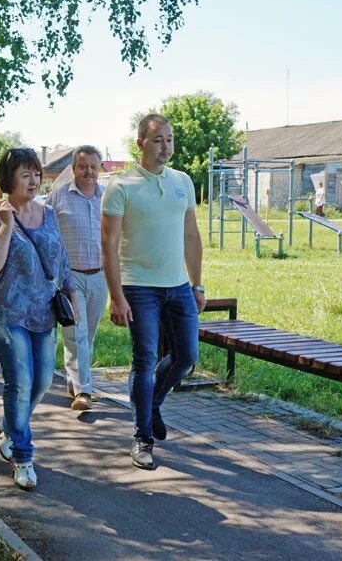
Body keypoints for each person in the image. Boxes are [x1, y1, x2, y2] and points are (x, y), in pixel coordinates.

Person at [101, 113, 206, 471]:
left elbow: (191, 236)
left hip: (177, 286)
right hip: (139, 286)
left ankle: (154, 402)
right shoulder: (121, 186)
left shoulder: (183, 182)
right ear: (140, 143)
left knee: (187, 356)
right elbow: (109, 245)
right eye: (158, 139)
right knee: (145, 359)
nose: (166, 146)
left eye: (170, 139)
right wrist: (117, 296)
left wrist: (197, 283)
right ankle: (142, 436)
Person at [0, 148, 77, 490]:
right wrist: (6, 227)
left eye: (36, 174)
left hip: (42, 312)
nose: (34, 181)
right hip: (5, 313)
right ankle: (22, 456)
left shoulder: (47, 214)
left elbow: (60, 260)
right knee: (19, 381)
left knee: (43, 380)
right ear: (9, 180)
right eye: (25, 174)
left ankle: (10, 421)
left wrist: (72, 295)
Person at [46, 145, 108, 411]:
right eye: (83, 166)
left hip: (100, 277)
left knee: (87, 334)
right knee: (76, 334)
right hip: (69, 279)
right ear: (73, 168)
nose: (88, 172)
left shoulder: (108, 198)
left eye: (93, 167)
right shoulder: (57, 197)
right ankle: (85, 392)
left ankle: (75, 380)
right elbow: (45, 235)